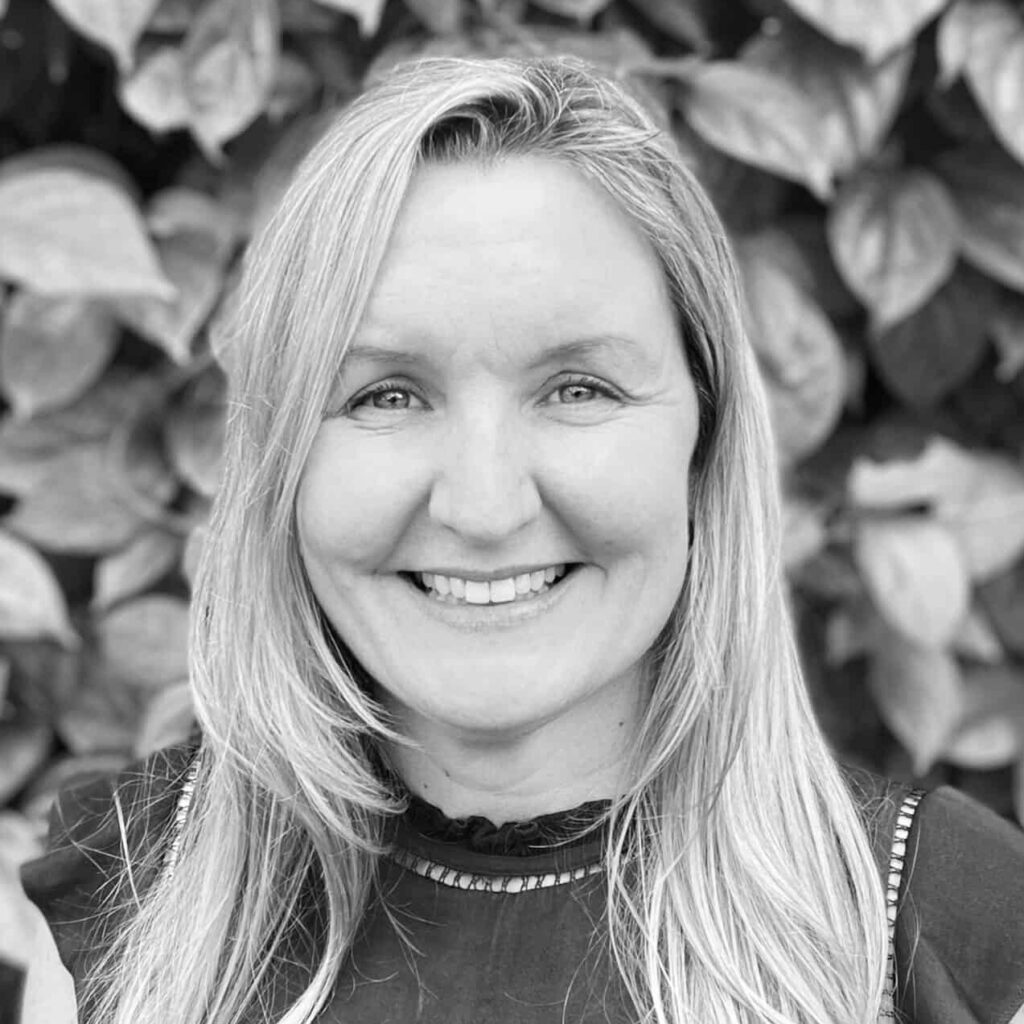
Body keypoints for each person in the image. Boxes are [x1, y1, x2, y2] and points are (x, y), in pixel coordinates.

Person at [18, 55, 1024, 1024]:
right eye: (384, 393)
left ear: (703, 432)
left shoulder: (945, 923)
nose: (486, 505)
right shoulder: (139, 894)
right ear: (282, 456)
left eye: (577, 388)